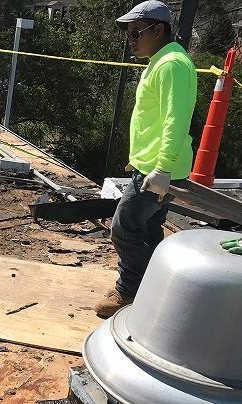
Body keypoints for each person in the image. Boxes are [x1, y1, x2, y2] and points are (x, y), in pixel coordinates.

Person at [95, 0, 197, 318]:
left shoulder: (171, 65)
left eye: (137, 32)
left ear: (159, 29)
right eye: (129, 33)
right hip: (154, 166)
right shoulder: (162, 60)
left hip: (158, 169)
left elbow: (175, 120)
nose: (131, 40)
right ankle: (151, 287)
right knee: (150, 228)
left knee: (124, 228)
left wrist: (162, 166)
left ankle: (128, 291)